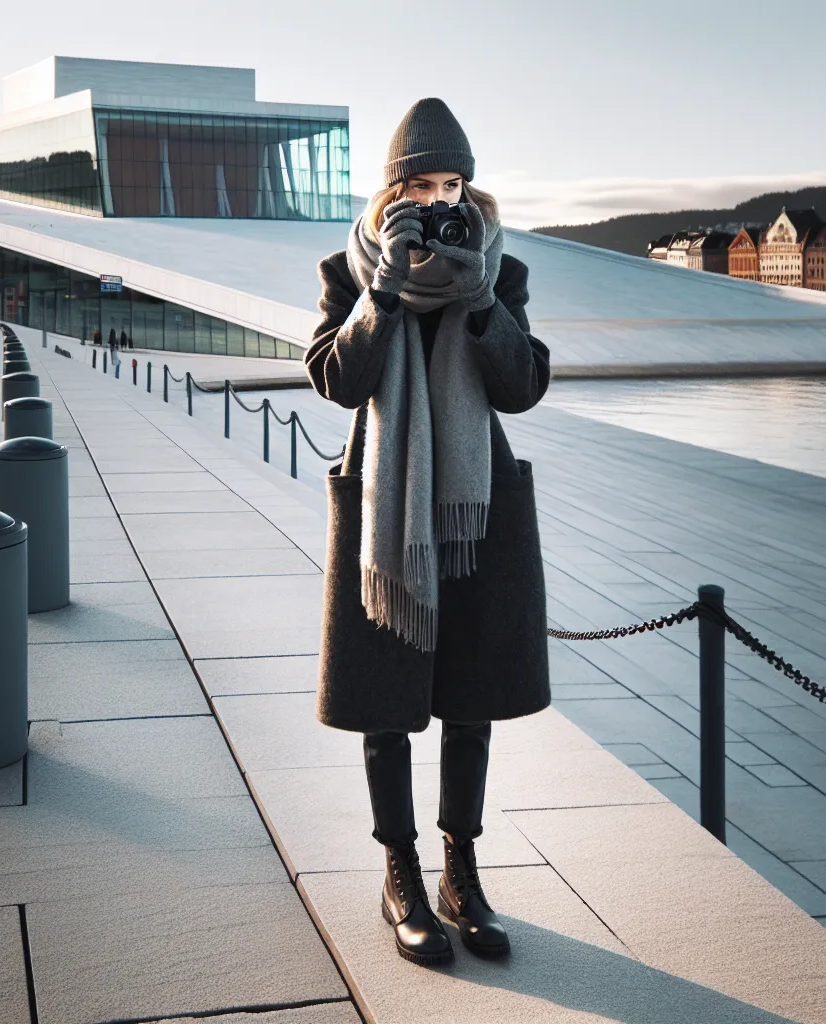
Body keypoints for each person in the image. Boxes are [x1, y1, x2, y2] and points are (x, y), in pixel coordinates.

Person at [305, 98, 551, 966]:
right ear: (390, 194)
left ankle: (461, 868)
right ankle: (399, 871)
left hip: (475, 512)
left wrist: (483, 302)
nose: (442, 200)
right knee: (388, 700)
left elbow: (521, 388)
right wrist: (380, 291)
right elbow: (338, 380)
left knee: (471, 699)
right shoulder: (351, 269)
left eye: (454, 185)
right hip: (388, 510)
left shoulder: (498, 270)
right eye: (422, 185)